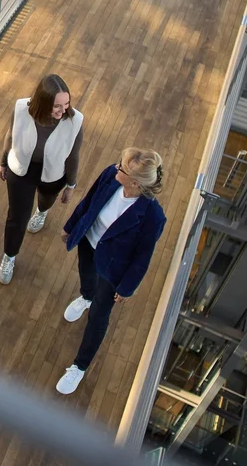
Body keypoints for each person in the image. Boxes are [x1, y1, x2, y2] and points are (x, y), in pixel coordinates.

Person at [55, 147, 167, 395]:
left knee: (98, 316)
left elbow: (142, 258)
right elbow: (88, 201)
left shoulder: (152, 217)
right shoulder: (111, 175)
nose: (117, 167)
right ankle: (85, 296)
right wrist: (71, 226)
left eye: (122, 168)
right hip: (88, 241)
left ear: (135, 182)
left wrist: (126, 288)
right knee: (85, 276)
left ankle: (79, 366)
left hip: (114, 268)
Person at [0, 74, 84, 285]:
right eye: (57, 106)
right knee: (17, 217)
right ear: (42, 103)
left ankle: (42, 212)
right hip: (21, 170)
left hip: (53, 173)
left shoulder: (75, 121)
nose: (63, 111)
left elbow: (73, 155)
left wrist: (71, 185)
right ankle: (9, 256)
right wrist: (3, 161)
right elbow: (10, 135)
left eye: (67, 103)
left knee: (45, 200)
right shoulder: (20, 108)